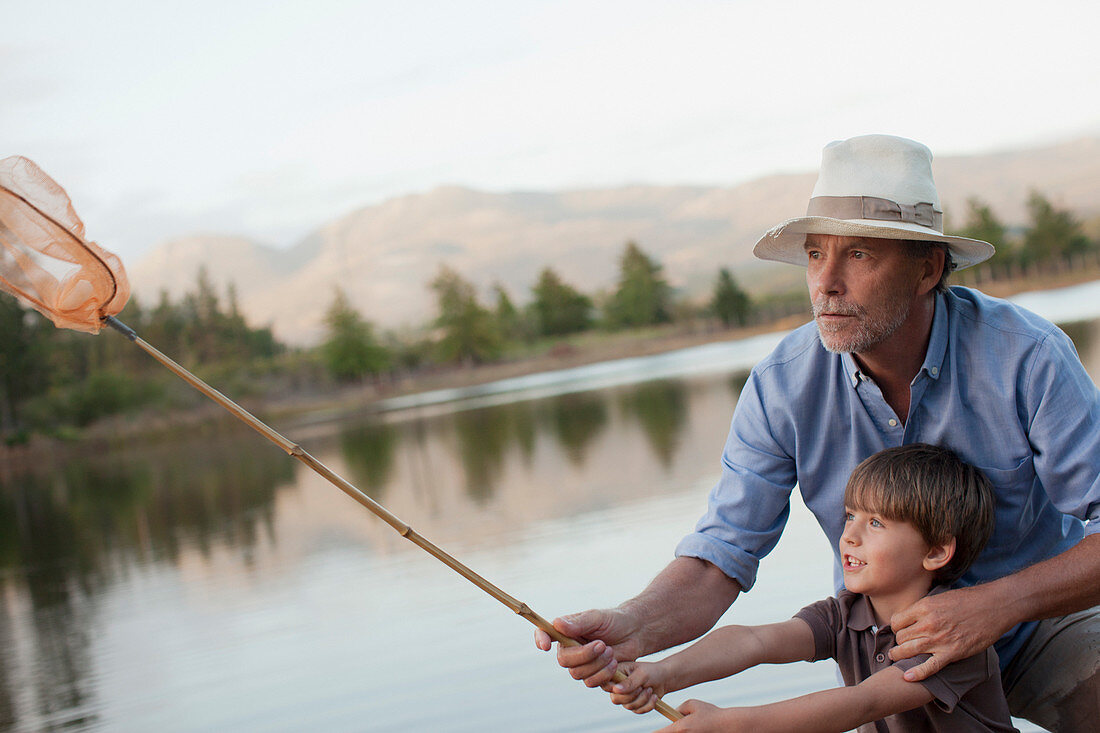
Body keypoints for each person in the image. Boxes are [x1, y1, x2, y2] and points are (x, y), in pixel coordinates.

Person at [535, 134, 1100, 731]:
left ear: (927, 268)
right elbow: (721, 557)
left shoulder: (1027, 356)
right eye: (814, 254)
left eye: (859, 255)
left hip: (1040, 620)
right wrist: (634, 629)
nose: (824, 283)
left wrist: (997, 605)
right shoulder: (781, 386)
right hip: (887, 652)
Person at [610, 443, 1014, 732]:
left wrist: (734, 725)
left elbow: (863, 703)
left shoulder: (953, 634)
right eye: (851, 515)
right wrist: (663, 673)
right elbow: (756, 642)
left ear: (937, 551)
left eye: (876, 523)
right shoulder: (844, 614)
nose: (849, 535)